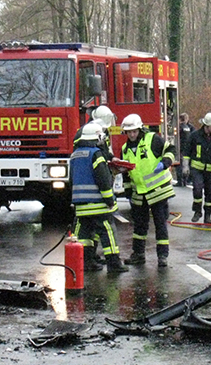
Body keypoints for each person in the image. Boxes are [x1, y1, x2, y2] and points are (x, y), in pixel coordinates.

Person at [69, 122, 129, 273]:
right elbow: (103, 180)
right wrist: (110, 200)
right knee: (107, 232)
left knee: (84, 235)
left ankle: (87, 262)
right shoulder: (96, 155)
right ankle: (114, 264)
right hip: (98, 204)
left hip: (80, 206)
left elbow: (71, 179)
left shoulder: (75, 155)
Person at [120, 113, 176, 267]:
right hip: (139, 192)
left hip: (158, 190)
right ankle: (138, 254)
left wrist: (165, 163)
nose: (132, 134)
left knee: (160, 223)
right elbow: (125, 174)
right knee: (139, 225)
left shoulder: (152, 139)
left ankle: (162, 256)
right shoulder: (125, 150)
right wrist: (128, 192)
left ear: (140, 129)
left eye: (134, 131)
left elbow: (170, 149)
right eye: (129, 132)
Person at [182, 112, 211, 223]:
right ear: (206, 126)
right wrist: (185, 166)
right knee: (197, 190)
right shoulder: (194, 136)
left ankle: (208, 215)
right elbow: (187, 151)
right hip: (197, 169)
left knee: (210, 194)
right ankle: (197, 211)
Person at [175, 113, 194, 187]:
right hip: (187, 147)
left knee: (179, 164)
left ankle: (180, 181)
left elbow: (178, 137)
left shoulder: (180, 127)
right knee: (185, 164)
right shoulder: (187, 127)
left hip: (181, 147)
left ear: (180, 119)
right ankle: (185, 181)